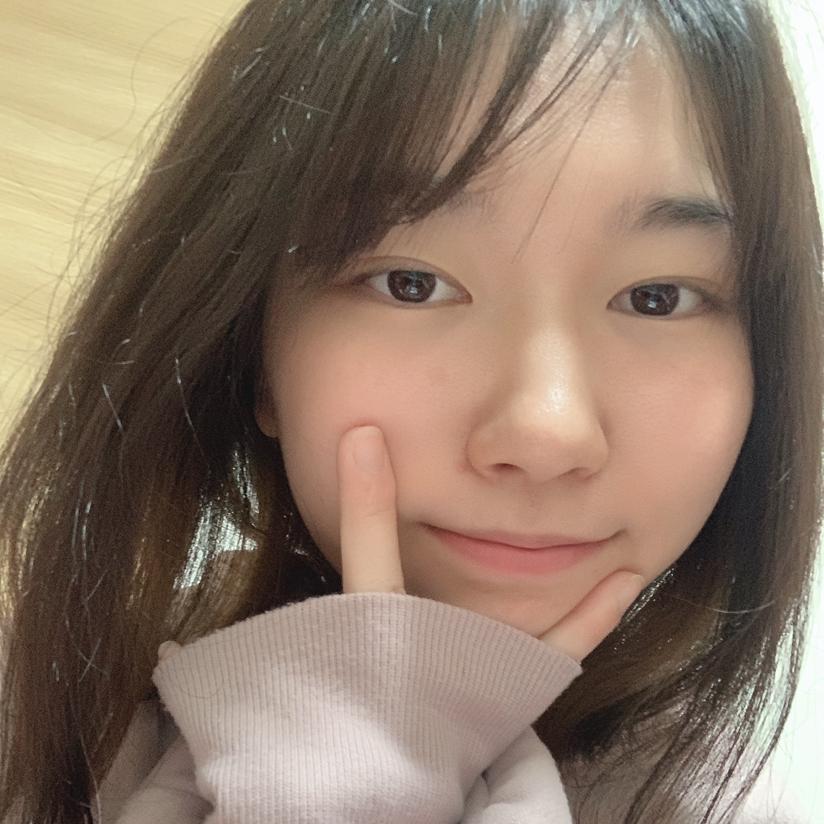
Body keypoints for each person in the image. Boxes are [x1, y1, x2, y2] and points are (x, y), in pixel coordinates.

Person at [0, 0, 821, 822]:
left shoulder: (739, 802)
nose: (547, 433)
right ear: (252, 348)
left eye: (657, 297)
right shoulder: (46, 706)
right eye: (411, 283)